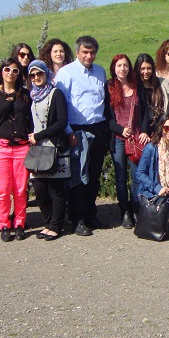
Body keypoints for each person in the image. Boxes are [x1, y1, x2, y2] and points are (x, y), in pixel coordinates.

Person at [55, 36, 110, 236]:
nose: (89, 55)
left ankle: (90, 214)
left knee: (94, 175)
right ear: (77, 52)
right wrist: (69, 132)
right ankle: (77, 219)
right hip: (76, 130)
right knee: (78, 177)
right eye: (85, 52)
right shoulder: (66, 73)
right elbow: (60, 105)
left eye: (92, 52)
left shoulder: (100, 72)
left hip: (98, 129)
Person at [0, 58, 33, 241]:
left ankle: (19, 223)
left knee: (20, 189)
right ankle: (4, 224)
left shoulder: (25, 95)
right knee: (2, 190)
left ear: (19, 74)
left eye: (15, 70)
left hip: (21, 147)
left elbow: (30, 120)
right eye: (7, 69)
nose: (10, 73)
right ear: (1, 71)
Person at [106, 54, 151, 229]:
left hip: (136, 137)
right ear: (114, 68)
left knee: (137, 176)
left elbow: (145, 111)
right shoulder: (109, 87)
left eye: (125, 65)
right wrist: (119, 129)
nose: (122, 69)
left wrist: (145, 131)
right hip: (118, 138)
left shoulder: (136, 85)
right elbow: (107, 116)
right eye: (119, 65)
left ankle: (136, 208)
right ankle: (124, 211)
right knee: (120, 176)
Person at [27, 60, 69, 240]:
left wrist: (40, 135)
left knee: (55, 189)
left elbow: (62, 122)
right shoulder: (32, 96)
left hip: (53, 147)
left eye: (40, 73)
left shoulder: (56, 94)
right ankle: (47, 222)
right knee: (40, 189)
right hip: (37, 149)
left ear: (46, 73)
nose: (36, 77)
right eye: (33, 75)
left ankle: (56, 225)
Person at [136, 53, 166, 124]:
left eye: (149, 68)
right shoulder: (134, 86)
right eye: (142, 69)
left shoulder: (160, 84)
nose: (146, 72)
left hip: (159, 123)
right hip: (141, 124)